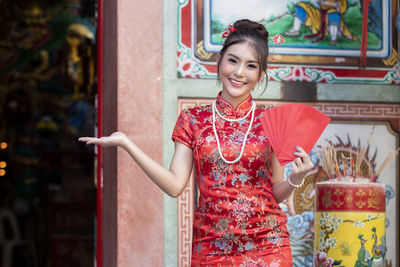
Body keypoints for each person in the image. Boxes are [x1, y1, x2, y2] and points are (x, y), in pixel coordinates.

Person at [79, 19, 313, 266]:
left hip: (268, 244)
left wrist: (295, 179)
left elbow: (275, 193)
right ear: (219, 60)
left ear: (260, 74)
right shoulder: (193, 119)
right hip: (211, 245)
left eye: (251, 66)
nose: (239, 72)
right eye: (233, 60)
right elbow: (173, 186)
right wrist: (126, 144)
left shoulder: (272, 120)